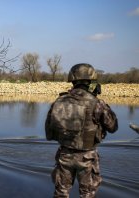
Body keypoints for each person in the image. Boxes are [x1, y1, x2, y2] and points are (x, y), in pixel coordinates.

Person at [45, 63, 118, 198]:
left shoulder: (59, 101)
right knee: (87, 194)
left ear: (72, 81)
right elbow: (113, 127)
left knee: (61, 193)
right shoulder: (96, 103)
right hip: (87, 157)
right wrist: (100, 101)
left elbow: (49, 132)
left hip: (64, 155)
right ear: (90, 81)